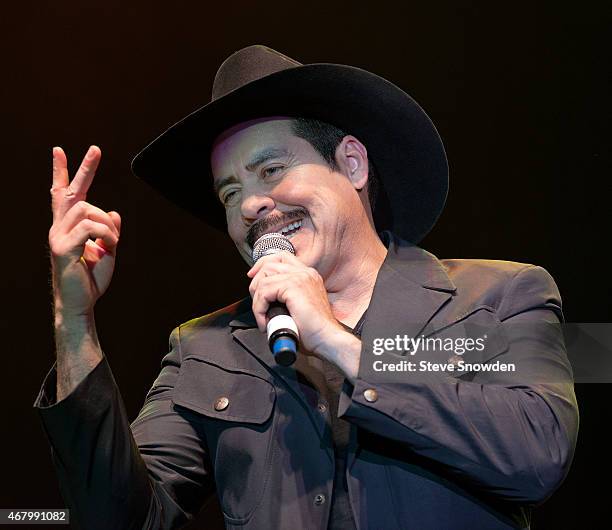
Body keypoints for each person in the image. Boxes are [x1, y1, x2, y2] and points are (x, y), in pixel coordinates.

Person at [35, 45, 579, 530]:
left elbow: (538, 453)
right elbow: (119, 519)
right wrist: (75, 322)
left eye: (271, 169)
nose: (250, 206)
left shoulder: (501, 296)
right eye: (229, 194)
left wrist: (339, 343)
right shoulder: (204, 348)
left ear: (351, 162)